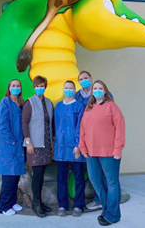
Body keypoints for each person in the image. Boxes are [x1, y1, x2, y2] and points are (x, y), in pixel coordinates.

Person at [80, 80, 125, 226]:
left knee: (112, 183)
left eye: (100, 88)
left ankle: (113, 215)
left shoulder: (112, 107)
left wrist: (118, 149)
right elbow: (82, 129)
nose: (97, 90)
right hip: (91, 152)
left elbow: (120, 128)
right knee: (96, 181)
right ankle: (106, 210)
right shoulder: (89, 108)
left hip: (109, 152)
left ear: (105, 91)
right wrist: (82, 147)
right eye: (95, 88)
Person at [22, 75, 54, 218]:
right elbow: (24, 122)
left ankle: (40, 202)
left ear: (45, 87)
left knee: (41, 176)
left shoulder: (49, 103)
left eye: (42, 86)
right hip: (34, 145)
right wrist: (28, 141)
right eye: (37, 86)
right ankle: (35, 203)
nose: (40, 88)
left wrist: (53, 141)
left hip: (45, 144)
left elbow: (51, 123)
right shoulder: (30, 102)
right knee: (37, 175)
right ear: (34, 87)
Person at [54, 80, 86, 217]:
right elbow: (55, 125)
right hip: (60, 148)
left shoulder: (79, 106)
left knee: (79, 178)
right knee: (61, 178)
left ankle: (78, 206)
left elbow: (80, 126)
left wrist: (77, 145)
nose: (68, 90)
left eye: (70, 88)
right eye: (66, 88)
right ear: (63, 89)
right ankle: (62, 206)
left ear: (74, 90)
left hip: (74, 148)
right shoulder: (58, 106)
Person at [0, 79, 26, 215]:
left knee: (15, 177)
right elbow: (1, 126)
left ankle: (12, 202)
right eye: (13, 86)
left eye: (18, 86)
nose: (16, 88)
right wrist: (11, 141)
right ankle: (3, 206)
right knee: (8, 178)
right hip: (8, 147)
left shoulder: (20, 104)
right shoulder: (5, 103)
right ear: (9, 88)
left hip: (18, 146)